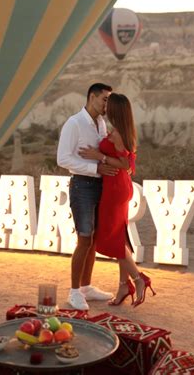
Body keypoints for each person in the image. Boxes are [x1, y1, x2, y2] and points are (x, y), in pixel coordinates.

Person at [79, 93, 156, 307]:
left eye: (108, 104)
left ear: (115, 110)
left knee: (111, 238)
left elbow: (125, 164)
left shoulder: (119, 133)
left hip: (115, 188)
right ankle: (124, 285)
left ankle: (140, 279)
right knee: (119, 237)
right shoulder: (122, 130)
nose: (105, 106)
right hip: (119, 186)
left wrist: (99, 156)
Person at [57, 83, 116, 310]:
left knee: (93, 239)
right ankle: (74, 292)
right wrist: (95, 169)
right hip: (82, 186)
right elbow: (63, 159)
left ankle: (86, 286)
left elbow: (100, 154)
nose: (106, 105)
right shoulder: (74, 123)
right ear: (92, 97)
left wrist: (101, 162)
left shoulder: (101, 123)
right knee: (84, 238)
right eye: (104, 99)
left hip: (101, 185)